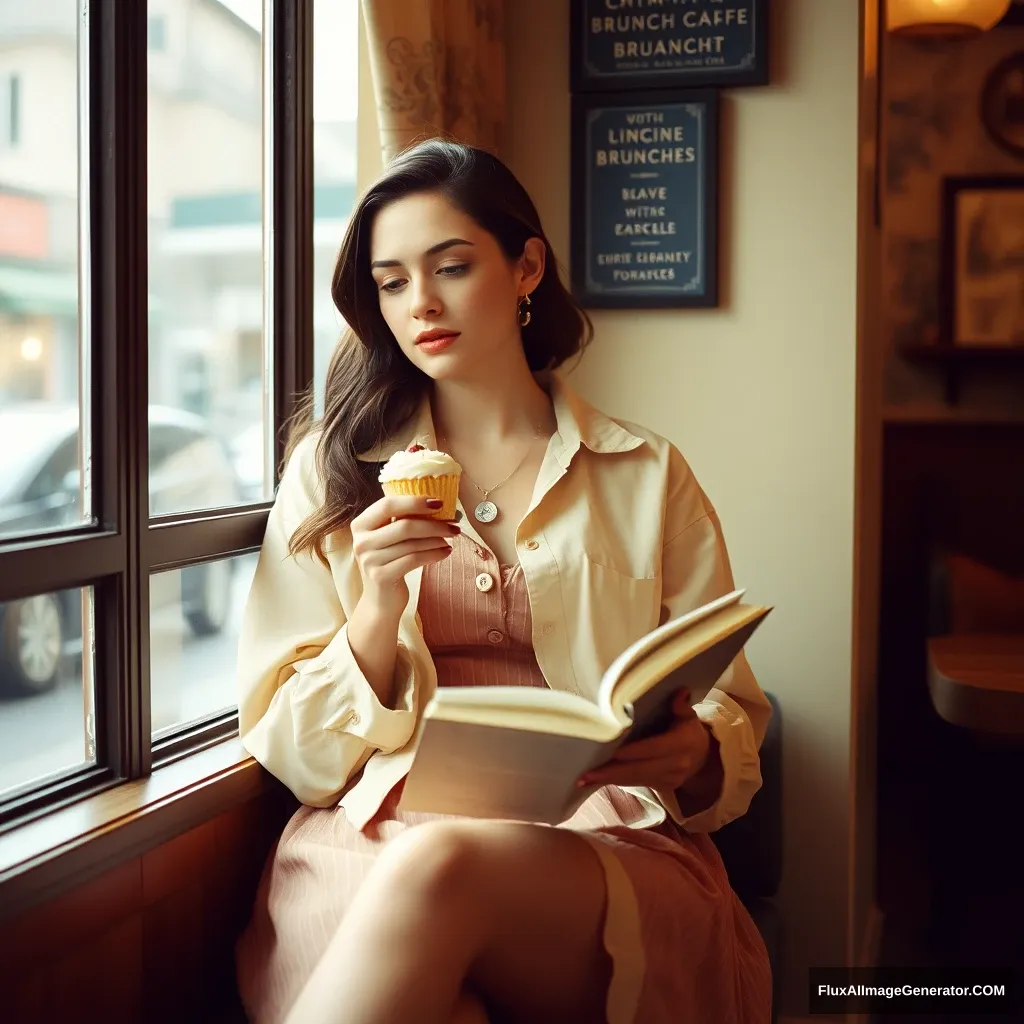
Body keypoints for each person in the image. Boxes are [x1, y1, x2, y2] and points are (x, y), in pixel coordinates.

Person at [234, 138, 773, 1024]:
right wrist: (375, 610)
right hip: (369, 834)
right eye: (392, 281)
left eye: (450, 266)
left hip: (599, 845)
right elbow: (294, 753)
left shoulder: (644, 472)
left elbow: (730, 710)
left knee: (443, 863)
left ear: (527, 268)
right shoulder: (329, 475)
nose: (421, 304)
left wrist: (698, 754)